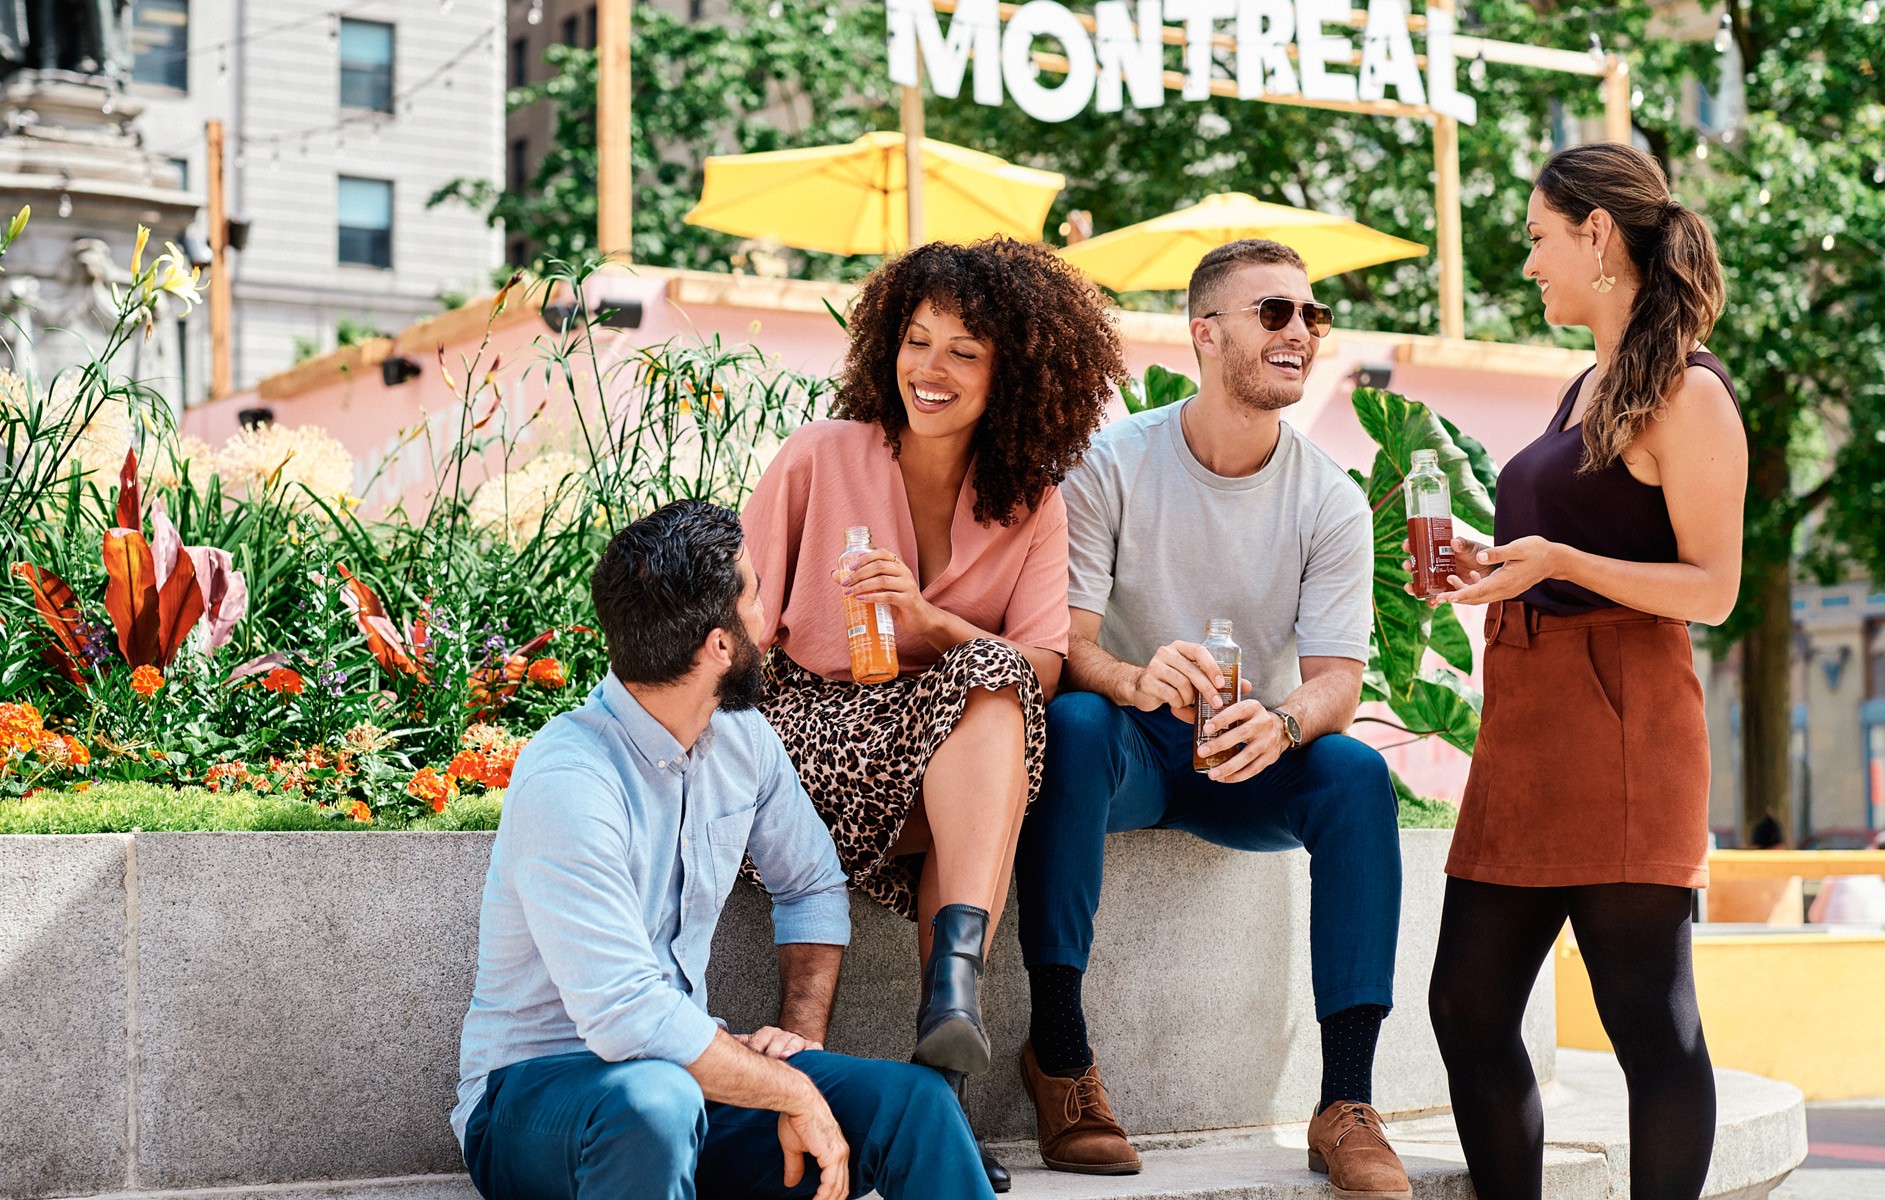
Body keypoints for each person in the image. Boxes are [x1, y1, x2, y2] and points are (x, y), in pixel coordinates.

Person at [1011, 238, 1409, 1196]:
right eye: (1276, 312)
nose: (1302, 333)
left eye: (1312, 317)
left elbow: (1339, 685)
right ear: (1205, 333)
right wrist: (1137, 677)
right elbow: (1070, 648)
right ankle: (1060, 1058)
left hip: (1249, 755)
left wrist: (1281, 723)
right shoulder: (1112, 464)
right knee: (1069, 727)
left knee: (1356, 774)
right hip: (1137, 744)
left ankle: (1345, 1102)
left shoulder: (1331, 500)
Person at [452, 501, 992, 1200]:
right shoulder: (569, 779)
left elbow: (810, 885)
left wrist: (798, 1045)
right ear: (720, 646)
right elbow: (626, 1016)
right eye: (757, 595)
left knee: (916, 1104)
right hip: (535, 1104)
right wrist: (789, 1095)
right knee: (654, 1104)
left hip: (688, 1082)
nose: (771, 616)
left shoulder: (743, 740)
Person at [741, 238, 1125, 1189]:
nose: (931, 369)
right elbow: (742, 623)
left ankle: (948, 1017)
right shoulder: (820, 455)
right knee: (986, 698)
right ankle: (942, 1075)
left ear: (1016, 371)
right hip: (808, 735)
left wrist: (928, 622)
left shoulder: (1031, 501)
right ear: (887, 347)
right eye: (917, 342)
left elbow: (1040, 662)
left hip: (941, 766)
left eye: (964, 350)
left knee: (995, 684)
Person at [1419, 142, 1747, 1200]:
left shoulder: (1689, 393)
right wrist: (1502, 563)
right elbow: (1572, 541)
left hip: (1622, 720)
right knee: (1466, 1010)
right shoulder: (1591, 382)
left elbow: (1709, 588)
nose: (1527, 266)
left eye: (1536, 238)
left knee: (1649, 1020)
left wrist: (1557, 563)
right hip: (1526, 720)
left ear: (1595, 235)